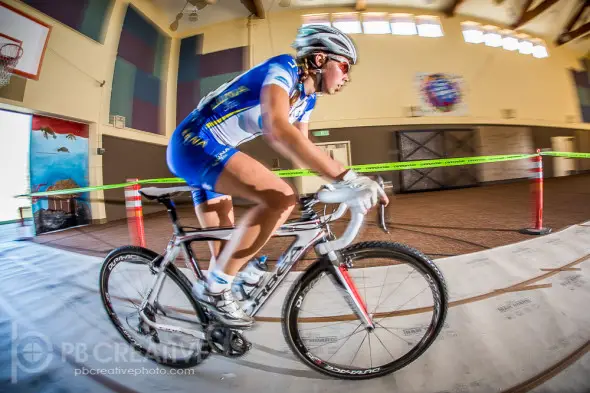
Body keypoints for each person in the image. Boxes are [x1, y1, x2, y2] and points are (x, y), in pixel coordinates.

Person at [166, 25, 388, 328]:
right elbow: (278, 130)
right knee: (280, 198)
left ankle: (215, 320)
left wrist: (336, 183)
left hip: (208, 151)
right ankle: (215, 291)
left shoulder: (308, 99)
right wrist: (348, 177)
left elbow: (303, 146)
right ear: (321, 59)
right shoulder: (283, 68)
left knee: (225, 262)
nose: (347, 76)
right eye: (345, 65)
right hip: (194, 143)